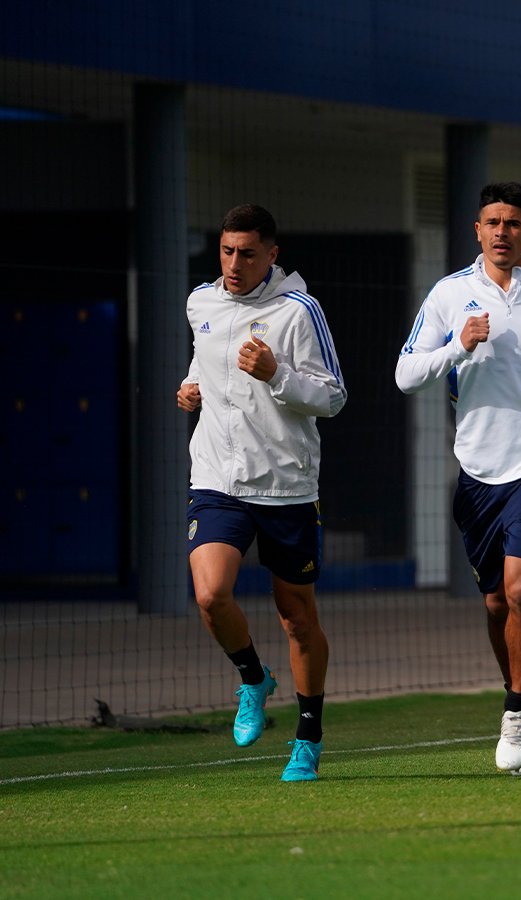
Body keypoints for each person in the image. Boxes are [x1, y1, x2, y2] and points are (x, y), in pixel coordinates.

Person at [395, 182, 521, 774]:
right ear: (477, 231)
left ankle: (515, 710)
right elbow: (407, 374)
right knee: (492, 601)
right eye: (492, 222)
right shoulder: (449, 294)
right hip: (478, 466)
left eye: (514, 222)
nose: (503, 231)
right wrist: (458, 346)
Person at [177, 203, 346, 782]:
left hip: (285, 486)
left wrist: (276, 372)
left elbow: (332, 397)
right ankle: (252, 676)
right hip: (216, 479)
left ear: (272, 255)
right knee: (209, 595)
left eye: (247, 253)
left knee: (297, 618)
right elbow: (203, 364)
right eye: (226, 251)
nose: (234, 263)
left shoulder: (298, 311)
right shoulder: (202, 302)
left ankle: (308, 737)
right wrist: (189, 390)